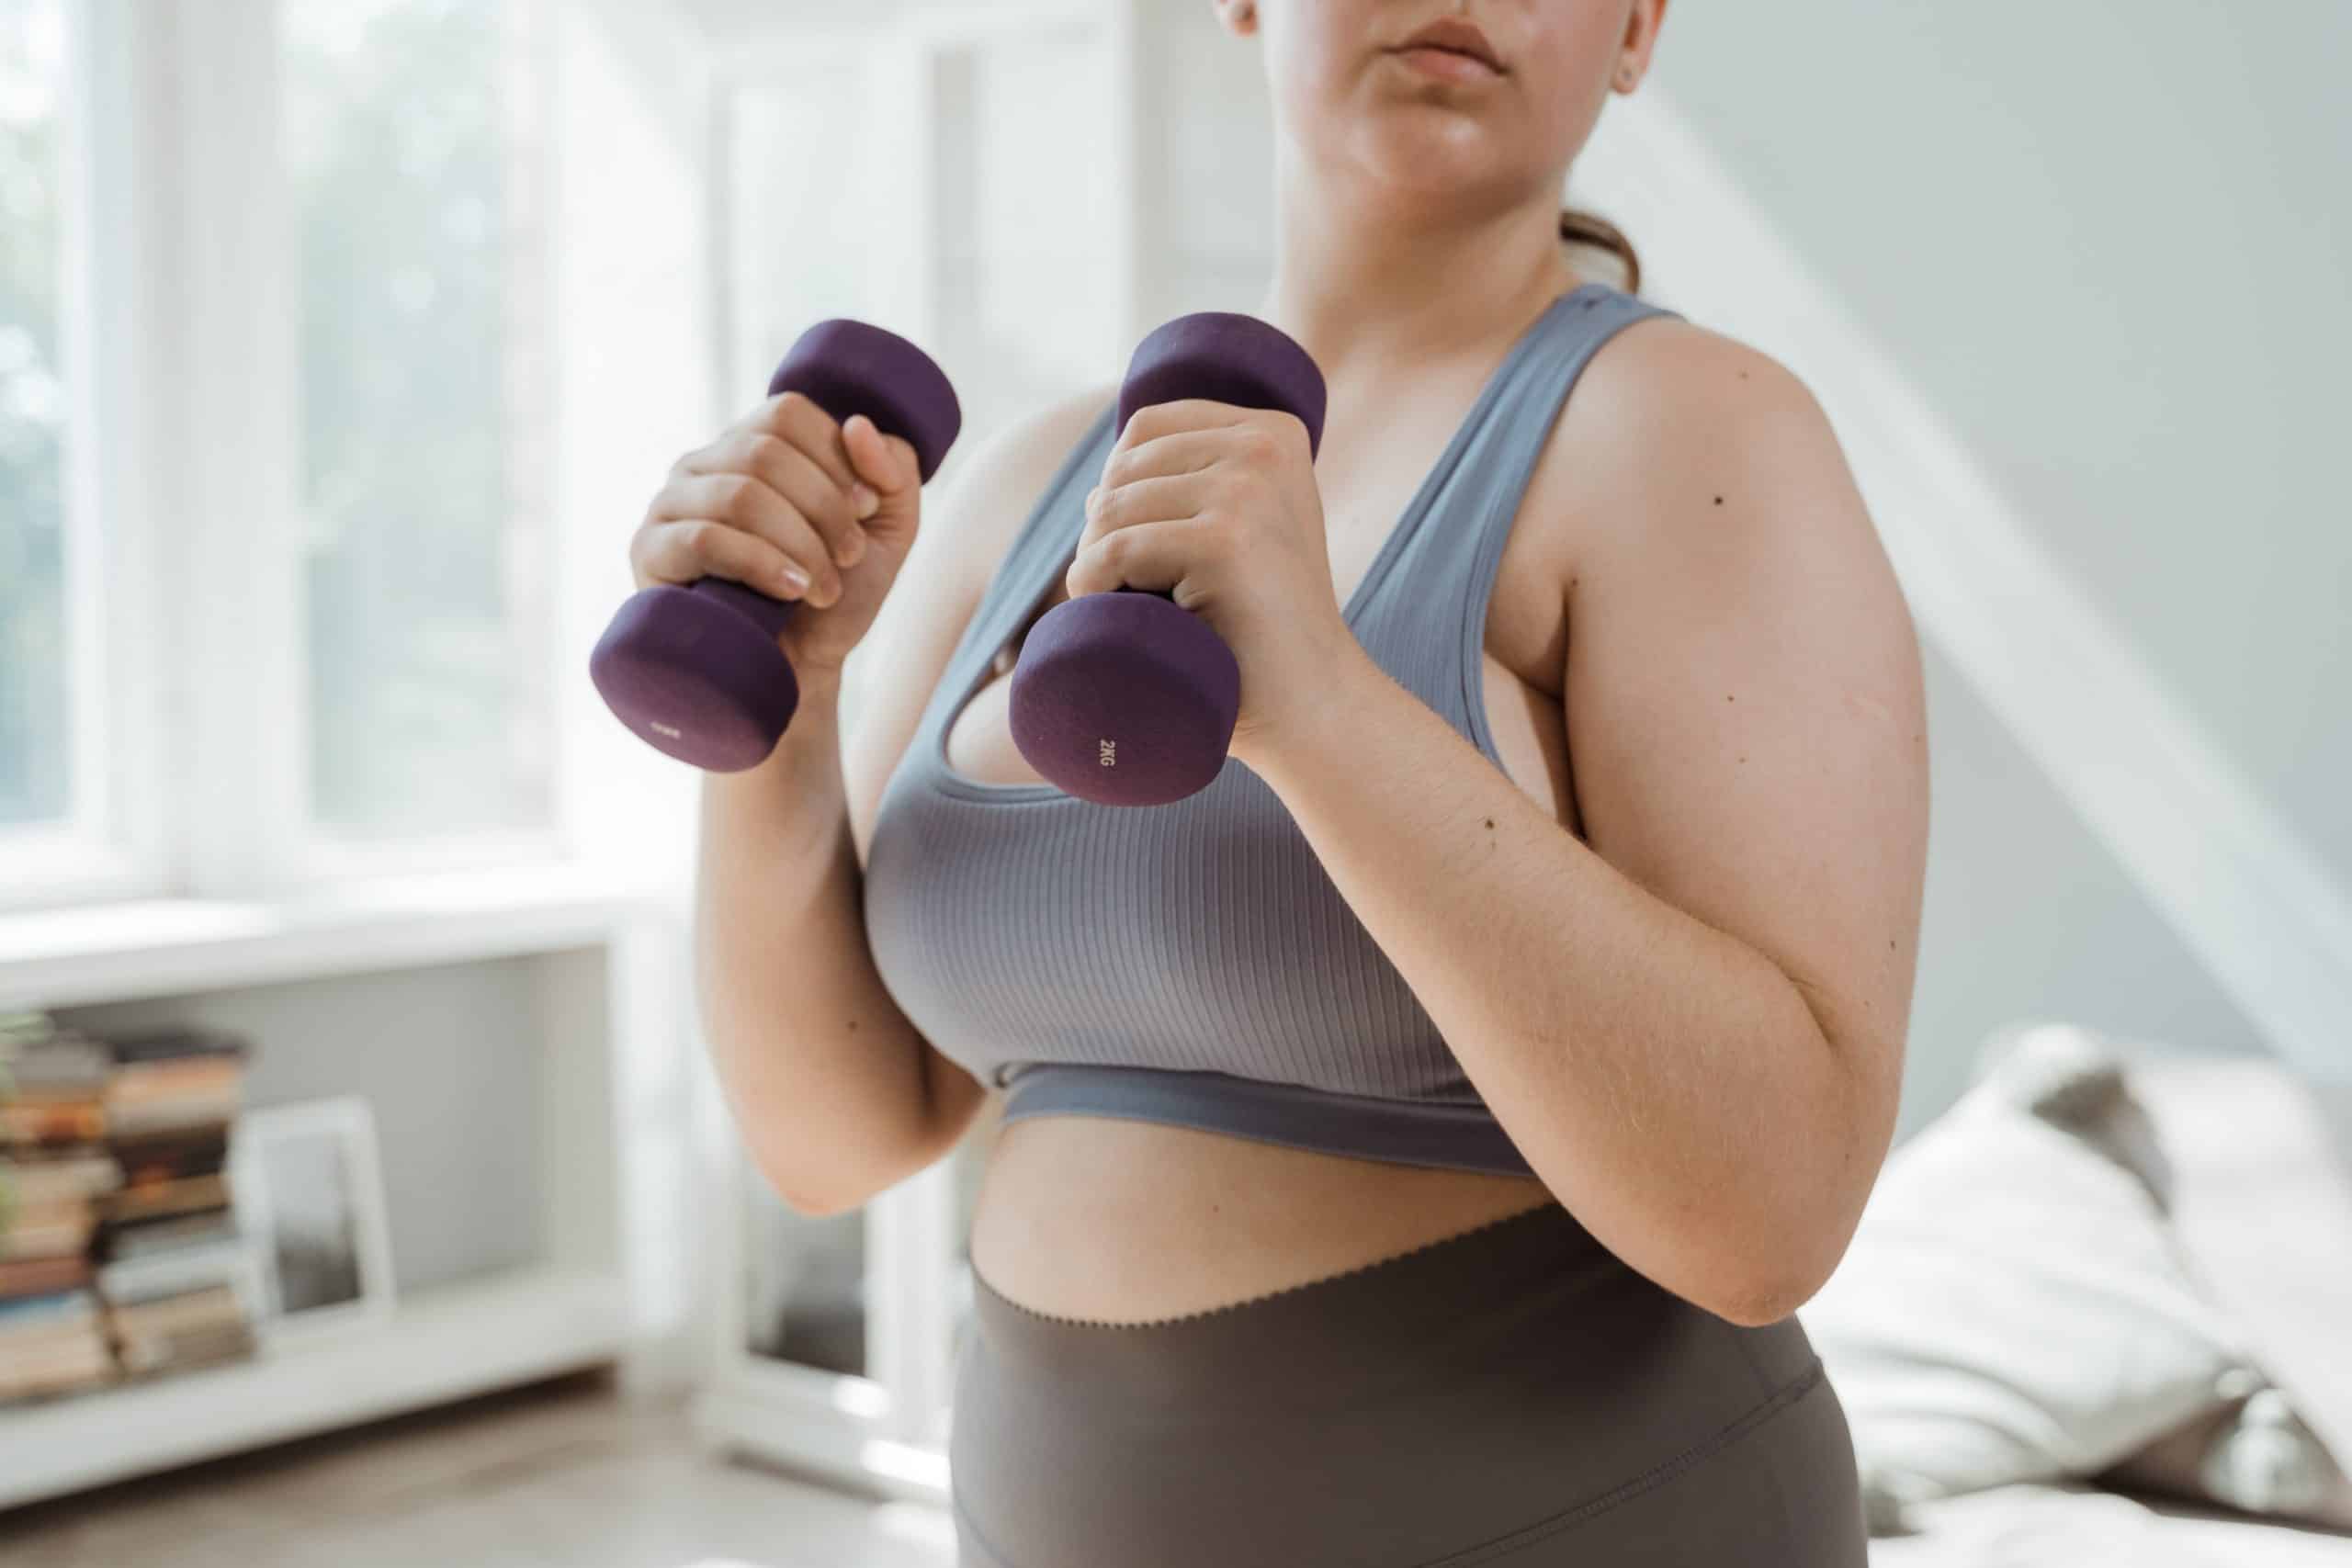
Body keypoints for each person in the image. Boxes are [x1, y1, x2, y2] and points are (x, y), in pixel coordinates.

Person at [629, 1, 1926, 1562]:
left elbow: (1771, 1218)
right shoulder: (1041, 482)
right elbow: (831, 1138)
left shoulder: (1692, 433)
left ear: (1637, 30)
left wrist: (1316, 707)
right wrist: (787, 700)